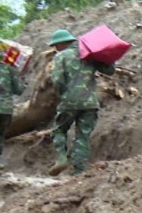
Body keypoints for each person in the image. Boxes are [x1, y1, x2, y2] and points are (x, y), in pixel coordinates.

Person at [47, 29, 114, 176]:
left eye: (56, 45)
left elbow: (57, 80)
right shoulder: (89, 53)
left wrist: (61, 95)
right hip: (90, 102)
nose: (55, 48)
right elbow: (109, 70)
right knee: (83, 136)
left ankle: (61, 158)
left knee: (59, 130)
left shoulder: (61, 56)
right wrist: (109, 57)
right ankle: (78, 171)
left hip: (69, 101)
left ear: (62, 43)